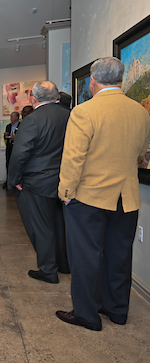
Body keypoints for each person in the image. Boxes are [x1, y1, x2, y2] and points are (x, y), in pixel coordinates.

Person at [56, 57, 150, 331]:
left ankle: (87, 314)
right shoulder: (140, 112)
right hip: (127, 197)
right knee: (119, 256)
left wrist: (66, 192)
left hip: (89, 198)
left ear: (92, 81)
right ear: (120, 80)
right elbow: (142, 156)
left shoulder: (85, 111)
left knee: (85, 257)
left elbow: (73, 159)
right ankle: (118, 310)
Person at [8, 80, 71, 284]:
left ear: (34, 99)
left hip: (36, 184)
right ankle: (63, 264)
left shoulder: (32, 120)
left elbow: (20, 154)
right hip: (63, 181)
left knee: (41, 228)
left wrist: (14, 180)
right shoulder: (70, 115)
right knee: (59, 225)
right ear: (56, 96)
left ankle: (48, 270)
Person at [3, 111, 20, 189]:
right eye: (10, 116)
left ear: (17, 117)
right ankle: (8, 182)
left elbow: (22, 138)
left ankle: (17, 182)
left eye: (12, 116)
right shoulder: (8, 126)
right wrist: (5, 136)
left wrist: (15, 138)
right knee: (8, 165)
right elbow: (6, 138)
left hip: (17, 149)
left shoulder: (21, 125)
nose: (11, 118)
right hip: (9, 148)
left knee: (17, 166)